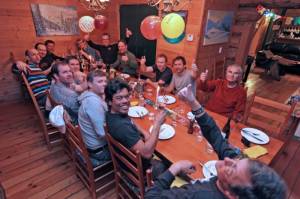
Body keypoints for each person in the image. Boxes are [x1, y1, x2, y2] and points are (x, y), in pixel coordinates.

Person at [145, 84, 287, 199]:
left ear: (231, 195)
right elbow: (217, 137)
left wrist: (175, 168)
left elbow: (151, 196)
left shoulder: (199, 194)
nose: (227, 160)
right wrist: (193, 102)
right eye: (237, 160)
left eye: (232, 169)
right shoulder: (241, 177)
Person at [105, 79, 167, 179]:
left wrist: (144, 132)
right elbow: (147, 153)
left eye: (126, 96)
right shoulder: (122, 127)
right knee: (169, 163)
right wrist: (157, 124)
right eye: (119, 98)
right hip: (140, 171)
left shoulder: (112, 113)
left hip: (127, 162)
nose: (125, 101)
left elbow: (130, 120)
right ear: (109, 101)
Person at [78, 70, 110, 167]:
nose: (104, 84)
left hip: (91, 144)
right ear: (90, 84)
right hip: (100, 151)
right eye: (100, 82)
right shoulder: (93, 103)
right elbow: (102, 134)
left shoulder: (88, 95)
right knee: (133, 145)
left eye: (105, 81)